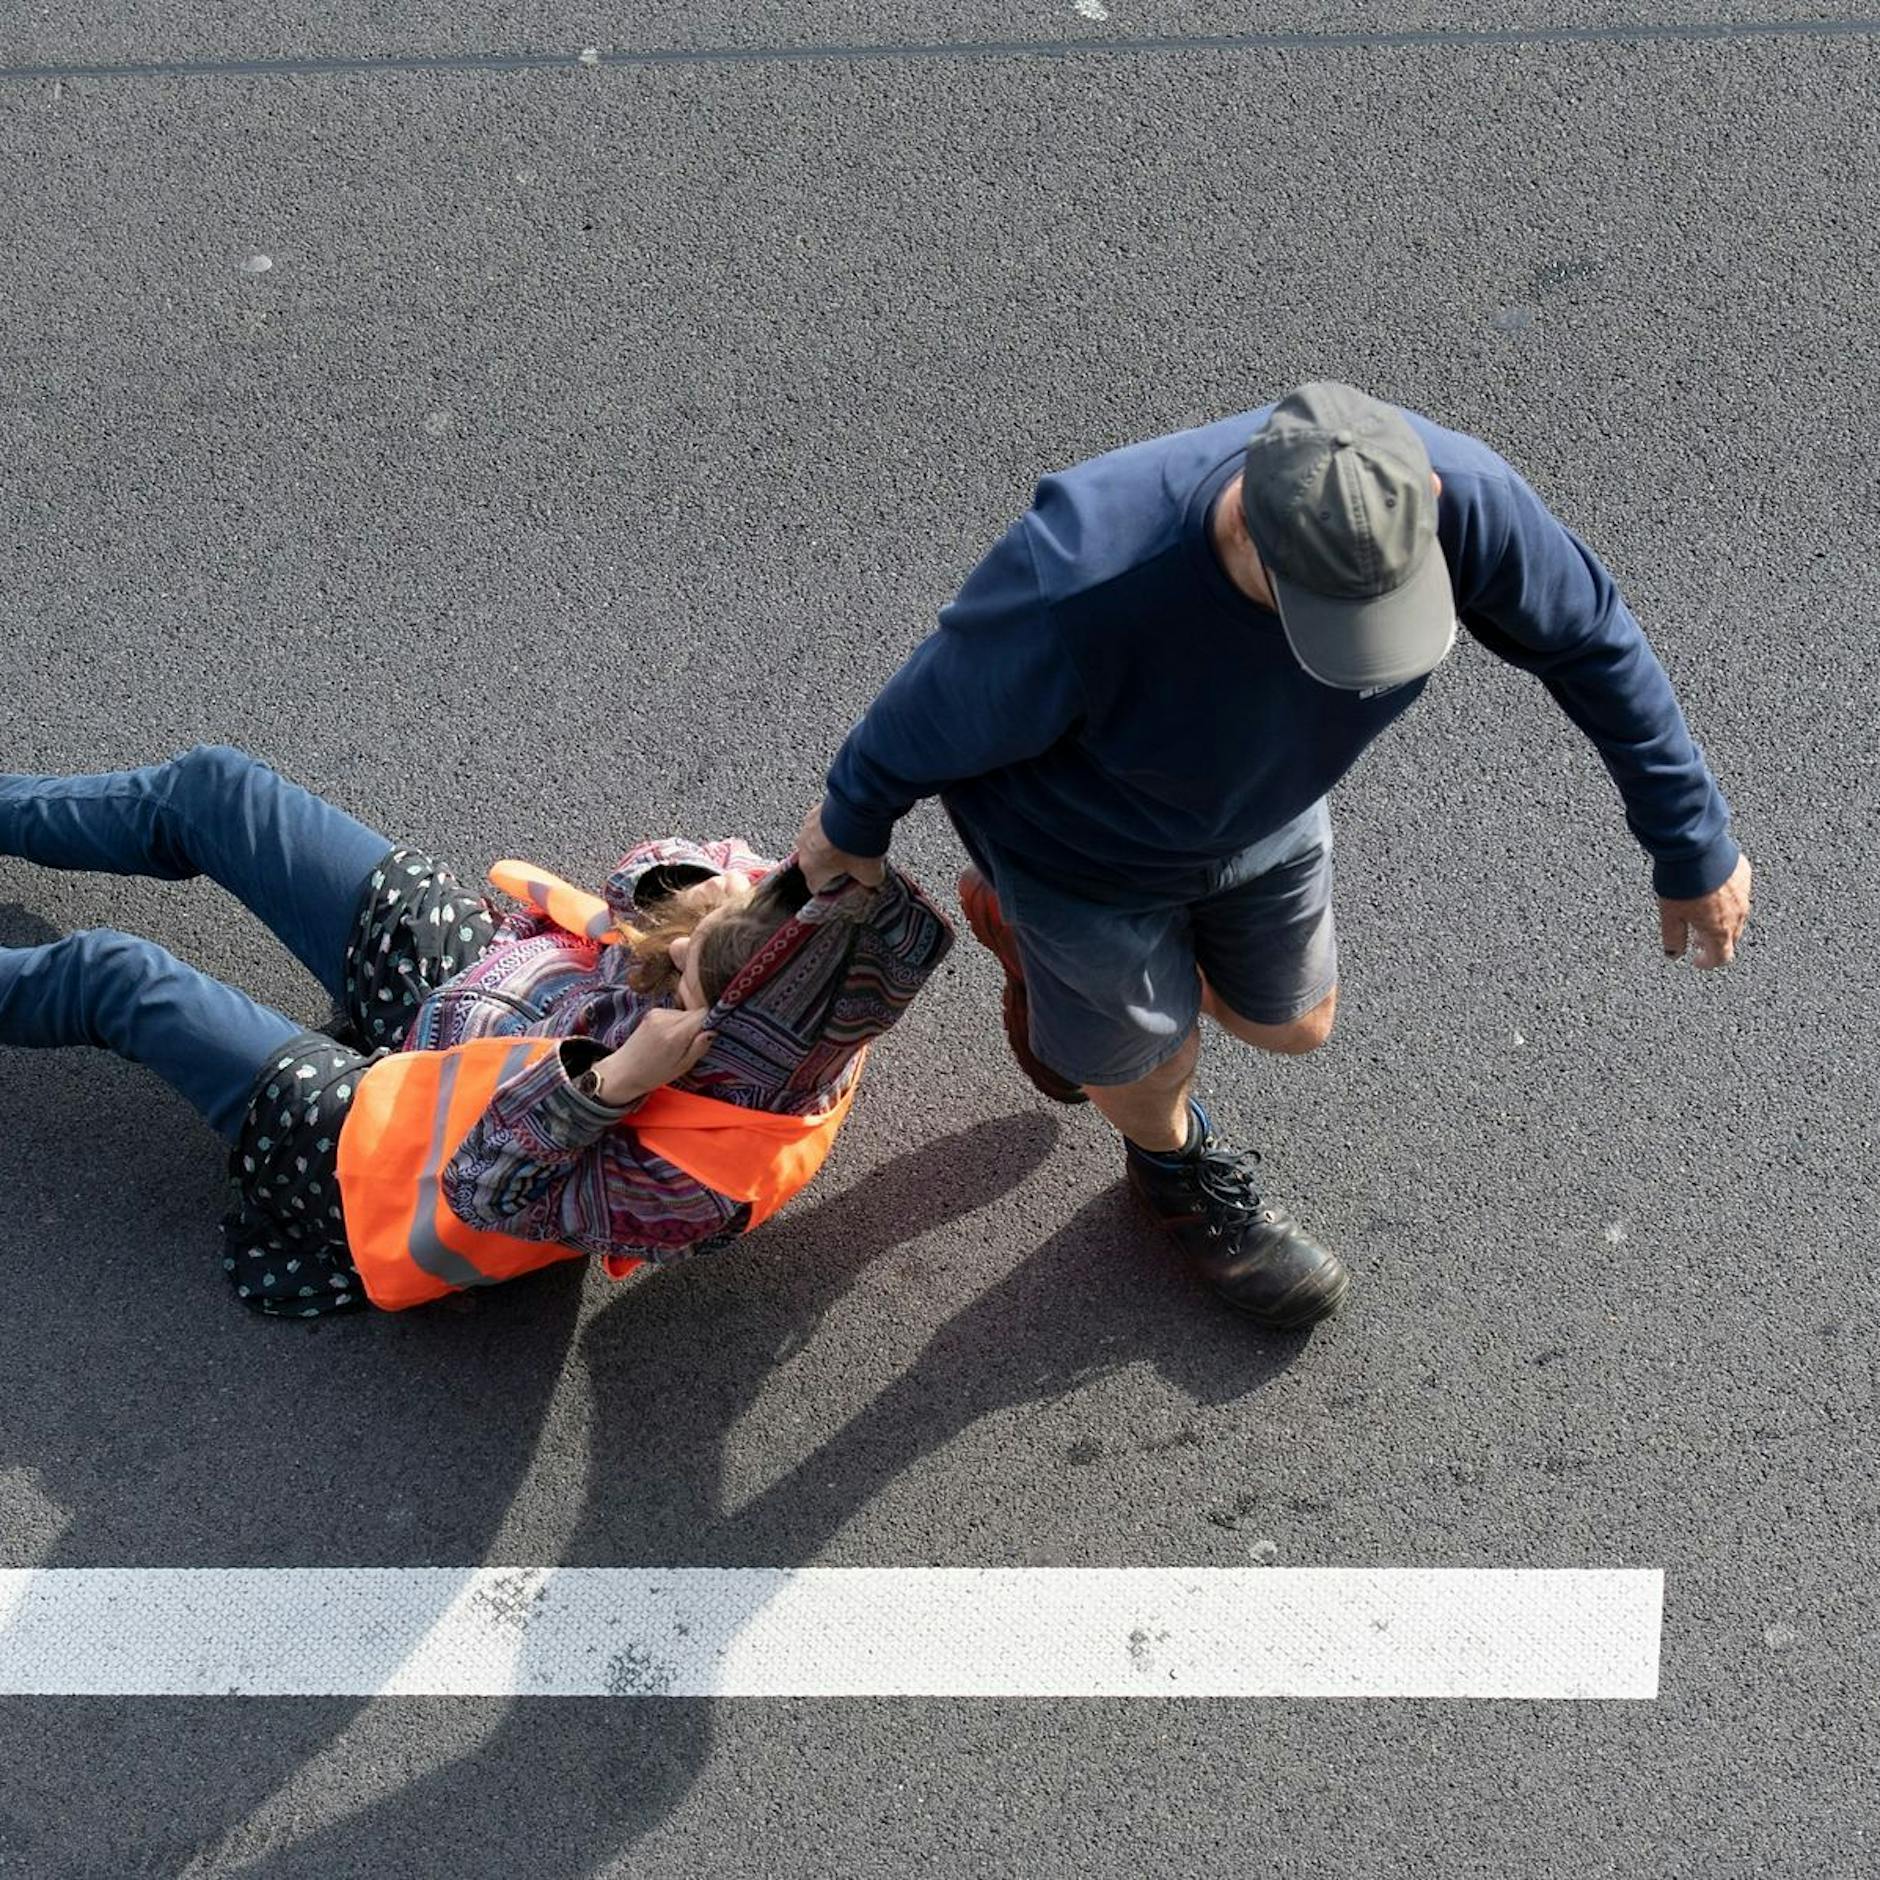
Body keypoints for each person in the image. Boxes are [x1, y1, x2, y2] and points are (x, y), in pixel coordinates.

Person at [798, 381, 1752, 1329]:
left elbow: (1591, 641)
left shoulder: (1467, 496)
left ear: (1424, 494)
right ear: (1250, 525)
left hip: (1265, 813)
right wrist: (852, 825)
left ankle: (1049, 967)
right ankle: (1171, 1169)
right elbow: (925, 715)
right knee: (1151, 1062)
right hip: (1080, 856)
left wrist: (1692, 840)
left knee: (1293, 1025)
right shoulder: (1084, 576)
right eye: (1329, 615)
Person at [0, 745, 952, 1314]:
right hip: (475, 989)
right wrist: (692, 893)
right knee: (214, 791)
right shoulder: (810, 952)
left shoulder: (706, 1183)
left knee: (112, 976)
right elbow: (638, 879)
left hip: (388, 1152)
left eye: (692, 958)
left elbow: (487, 1188)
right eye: (740, 897)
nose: (698, 926)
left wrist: (609, 1084)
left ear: (713, 1024)